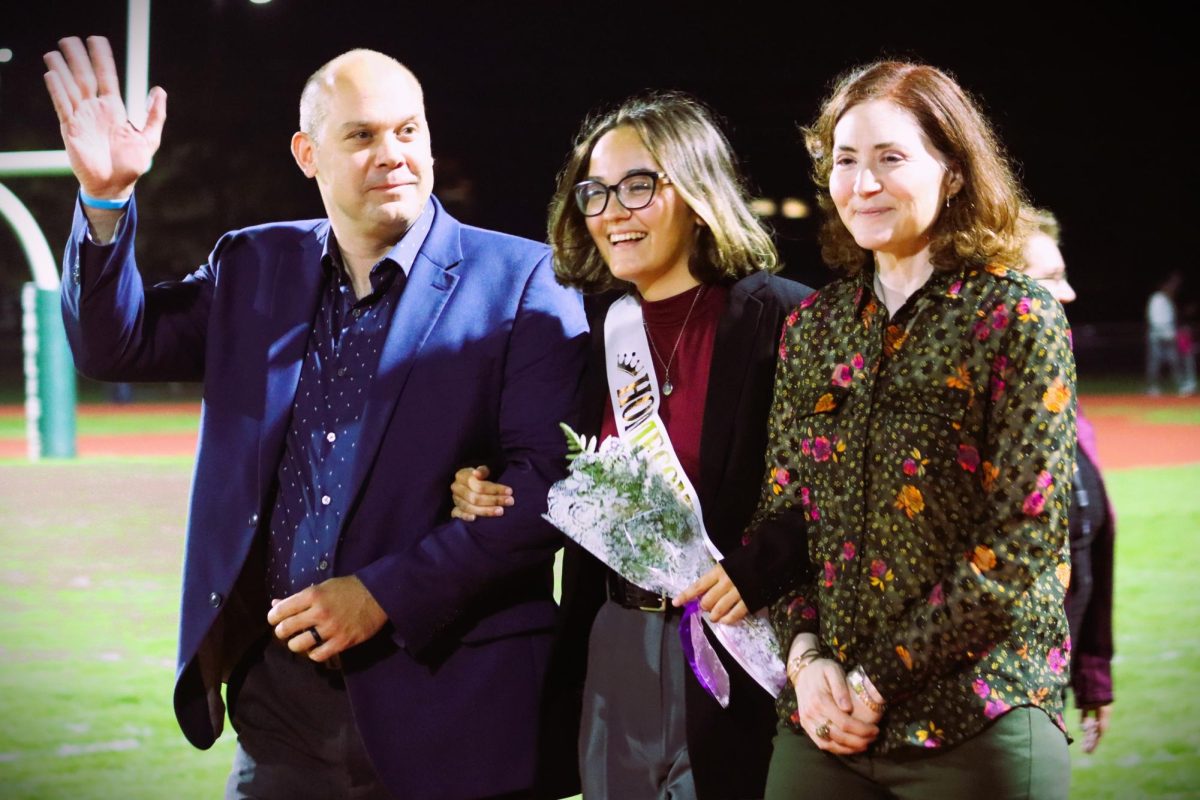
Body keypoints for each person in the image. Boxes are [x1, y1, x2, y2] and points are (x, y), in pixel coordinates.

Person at [44, 36, 587, 799]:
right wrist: (105, 200)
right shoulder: (252, 267)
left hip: (453, 697)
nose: (392, 154)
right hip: (282, 707)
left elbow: (552, 490)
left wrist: (383, 594)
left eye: (408, 130)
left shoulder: (524, 277)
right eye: (361, 135)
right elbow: (116, 344)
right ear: (308, 154)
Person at [450, 92, 813, 799]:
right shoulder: (587, 338)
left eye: (639, 185)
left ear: (697, 188)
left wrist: (760, 568)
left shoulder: (786, 318)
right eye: (595, 192)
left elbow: (834, 491)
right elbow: (544, 468)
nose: (613, 210)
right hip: (614, 641)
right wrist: (475, 481)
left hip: (741, 647)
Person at [756, 62, 1076, 799]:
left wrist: (877, 678)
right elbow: (784, 517)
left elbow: (1023, 538)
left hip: (978, 716)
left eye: (890, 159)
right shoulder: (815, 327)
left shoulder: (1015, 316)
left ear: (954, 173)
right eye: (845, 161)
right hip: (825, 722)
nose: (862, 184)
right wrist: (807, 663)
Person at [1021, 208, 1115, 753]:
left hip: (1049, 694)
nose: (1071, 293)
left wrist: (1092, 676)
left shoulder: (1069, 412)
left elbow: (1089, 549)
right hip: (990, 708)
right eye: (1051, 280)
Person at [1146, 271, 1192, 395]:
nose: (1173, 289)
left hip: (1169, 336)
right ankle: (1153, 387)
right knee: (1155, 363)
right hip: (1158, 336)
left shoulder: (1168, 300)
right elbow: (1155, 320)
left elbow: (1172, 319)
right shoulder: (1157, 299)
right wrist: (1171, 333)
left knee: (1174, 361)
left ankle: (1180, 386)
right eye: (1170, 286)